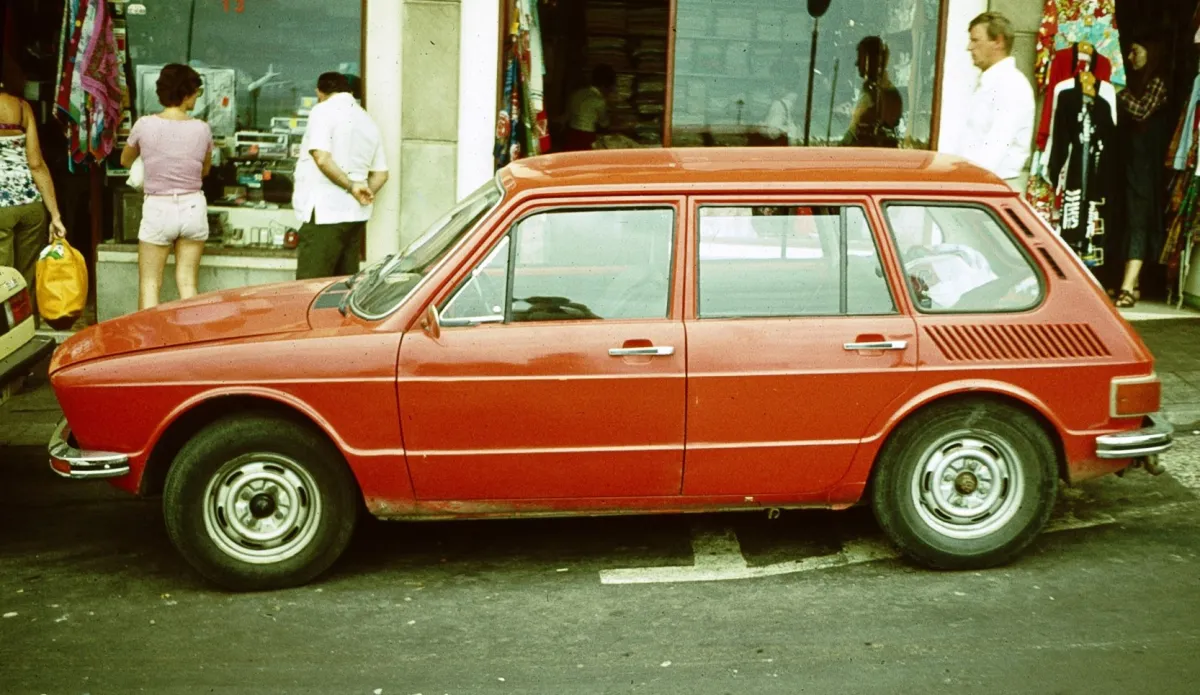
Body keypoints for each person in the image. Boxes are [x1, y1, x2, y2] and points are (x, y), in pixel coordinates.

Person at [120, 63, 213, 310]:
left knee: (150, 284)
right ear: (185, 94)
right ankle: (191, 344)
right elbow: (205, 170)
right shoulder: (202, 129)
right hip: (193, 205)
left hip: (158, 207)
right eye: (196, 92)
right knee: (188, 283)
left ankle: (150, 347)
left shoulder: (144, 125)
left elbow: (125, 160)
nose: (197, 98)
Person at [293, 72, 388, 280]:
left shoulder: (322, 111)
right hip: (356, 215)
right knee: (340, 288)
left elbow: (322, 158)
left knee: (311, 286)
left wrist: (351, 186)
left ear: (320, 92)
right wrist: (363, 191)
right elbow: (381, 174)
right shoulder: (366, 119)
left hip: (326, 213)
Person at [1113, 41, 1171, 309]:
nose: (1130, 56)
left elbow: (1141, 111)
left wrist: (1117, 91)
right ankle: (1132, 284)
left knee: (1139, 218)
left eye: (1136, 51)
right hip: (1132, 163)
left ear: (1151, 52)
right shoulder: (1139, 82)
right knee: (1129, 216)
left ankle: (1127, 286)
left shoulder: (1157, 83)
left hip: (1146, 165)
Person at [948, 12, 1035, 190]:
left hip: (991, 187)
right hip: (975, 184)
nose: (969, 47)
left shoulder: (1011, 85)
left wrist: (964, 187)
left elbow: (995, 146)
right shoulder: (989, 82)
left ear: (998, 42)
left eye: (976, 40)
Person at [0, 84, 67, 303]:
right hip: (31, 204)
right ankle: (28, 329)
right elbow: (36, 164)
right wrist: (55, 215)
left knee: (2, 278)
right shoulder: (22, 107)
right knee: (26, 276)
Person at [842, 36, 903, 148]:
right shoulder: (880, 91)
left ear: (869, 60)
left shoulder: (880, 95)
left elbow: (854, 134)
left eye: (860, 57)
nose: (856, 63)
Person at [562, 65, 615, 152]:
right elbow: (604, 124)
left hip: (571, 134)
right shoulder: (599, 100)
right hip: (586, 137)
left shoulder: (577, 93)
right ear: (606, 85)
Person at [761, 58, 801, 146]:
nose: (771, 87)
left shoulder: (779, 105)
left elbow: (772, 133)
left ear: (784, 84)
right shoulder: (797, 100)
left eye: (774, 82)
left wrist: (759, 127)